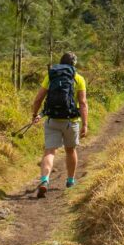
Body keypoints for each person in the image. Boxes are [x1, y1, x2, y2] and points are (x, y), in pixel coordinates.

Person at [30, 52, 88, 197]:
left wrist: (35, 114)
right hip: (71, 121)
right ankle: (70, 180)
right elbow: (82, 103)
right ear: (74, 64)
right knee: (70, 150)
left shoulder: (51, 76)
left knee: (49, 151)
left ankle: (44, 180)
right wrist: (85, 124)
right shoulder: (78, 78)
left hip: (52, 120)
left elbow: (38, 99)